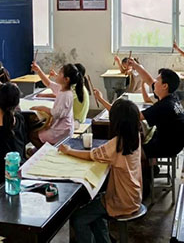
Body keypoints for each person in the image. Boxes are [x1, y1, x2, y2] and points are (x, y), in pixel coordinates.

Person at [59, 99, 142, 243]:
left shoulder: (117, 144)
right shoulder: (135, 137)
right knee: (94, 211)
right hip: (133, 195)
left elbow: (91, 155)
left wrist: (69, 151)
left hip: (121, 201)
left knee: (79, 219)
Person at [95, 60, 184, 159]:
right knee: (140, 137)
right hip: (172, 141)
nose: (154, 82)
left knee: (128, 154)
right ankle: (150, 164)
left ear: (165, 86)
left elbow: (127, 115)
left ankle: (145, 166)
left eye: (157, 81)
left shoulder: (163, 106)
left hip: (168, 146)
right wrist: (135, 65)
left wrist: (101, 100)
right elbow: (148, 80)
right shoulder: (171, 96)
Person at [29, 62, 81, 147]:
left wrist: (42, 107)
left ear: (66, 79)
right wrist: (39, 70)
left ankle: (46, 152)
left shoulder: (66, 95)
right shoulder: (62, 88)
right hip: (61, 127)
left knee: (32, 135)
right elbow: (48, 83)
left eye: (60, 73)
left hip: (61, 131)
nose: (57, 75)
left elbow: (56, 113)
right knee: (39, 129)